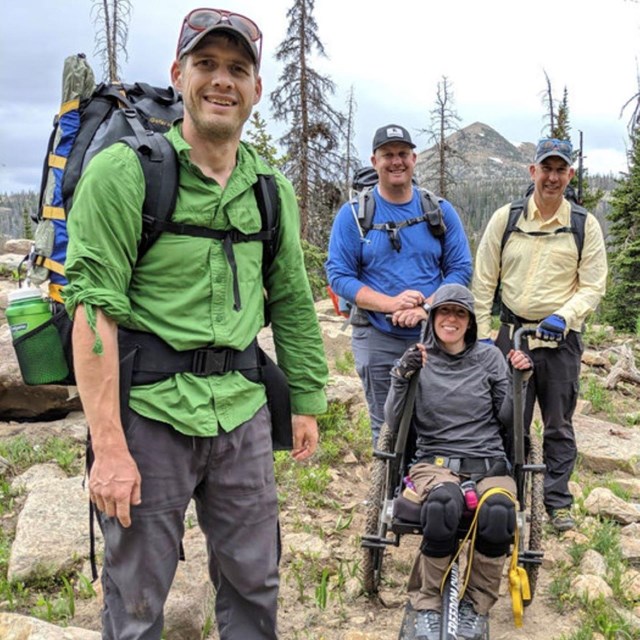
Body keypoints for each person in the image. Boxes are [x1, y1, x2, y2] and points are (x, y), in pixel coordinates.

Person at [63, 8, 328, 639]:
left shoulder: (270, 188)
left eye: (238, 69)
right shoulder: (127, 172)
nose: (222, 81)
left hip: (242, 412)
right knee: (136, 597)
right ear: (179, 74)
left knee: (255, 583)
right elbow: (94, 308)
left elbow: (290, 298)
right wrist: (108, 448)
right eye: (206, 64)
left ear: (256, 90)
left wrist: (308, 399)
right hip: (149, 415)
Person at [472, 138, 607, 532]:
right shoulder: (507, 219)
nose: (552, 177)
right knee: (506, 418)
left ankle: (557, 500)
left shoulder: (583, 224)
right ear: (532, 172)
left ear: (570, 174)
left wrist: (564, 316)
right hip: (511, 334)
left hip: (559, 339)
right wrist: (482, 337)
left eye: (560, 170)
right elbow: (484, 280)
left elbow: (593, 284)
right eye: (545, 169)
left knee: (558, 422)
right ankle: (505, 492)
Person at [384, 283, 532, 640]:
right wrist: (401, 377)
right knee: (443, 505)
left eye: (460, 313)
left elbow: (509, 419)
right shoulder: (418, 358)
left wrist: (519, 382)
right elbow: (393, 419)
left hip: (487, 461)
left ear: (470, 322)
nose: (451, 319)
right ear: (433, 318)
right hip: (434, 463)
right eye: (444, 312)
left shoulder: (490, 358)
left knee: (498, 513)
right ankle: (426, 604)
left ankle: (475, 607)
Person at [325, 124, 472, 444]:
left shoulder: (439, 210)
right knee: (387, 427)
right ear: (374, 160)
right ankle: (388, 493)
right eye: (387, 154)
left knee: (437, 422)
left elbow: (460, 269)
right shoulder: (353, 216)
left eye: (403, 154)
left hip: (433, 336)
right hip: (376, 336)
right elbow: (339, 275)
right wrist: (391, 304)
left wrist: (428, 308)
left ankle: (430, 491)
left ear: (414, 159)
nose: (396, 162)